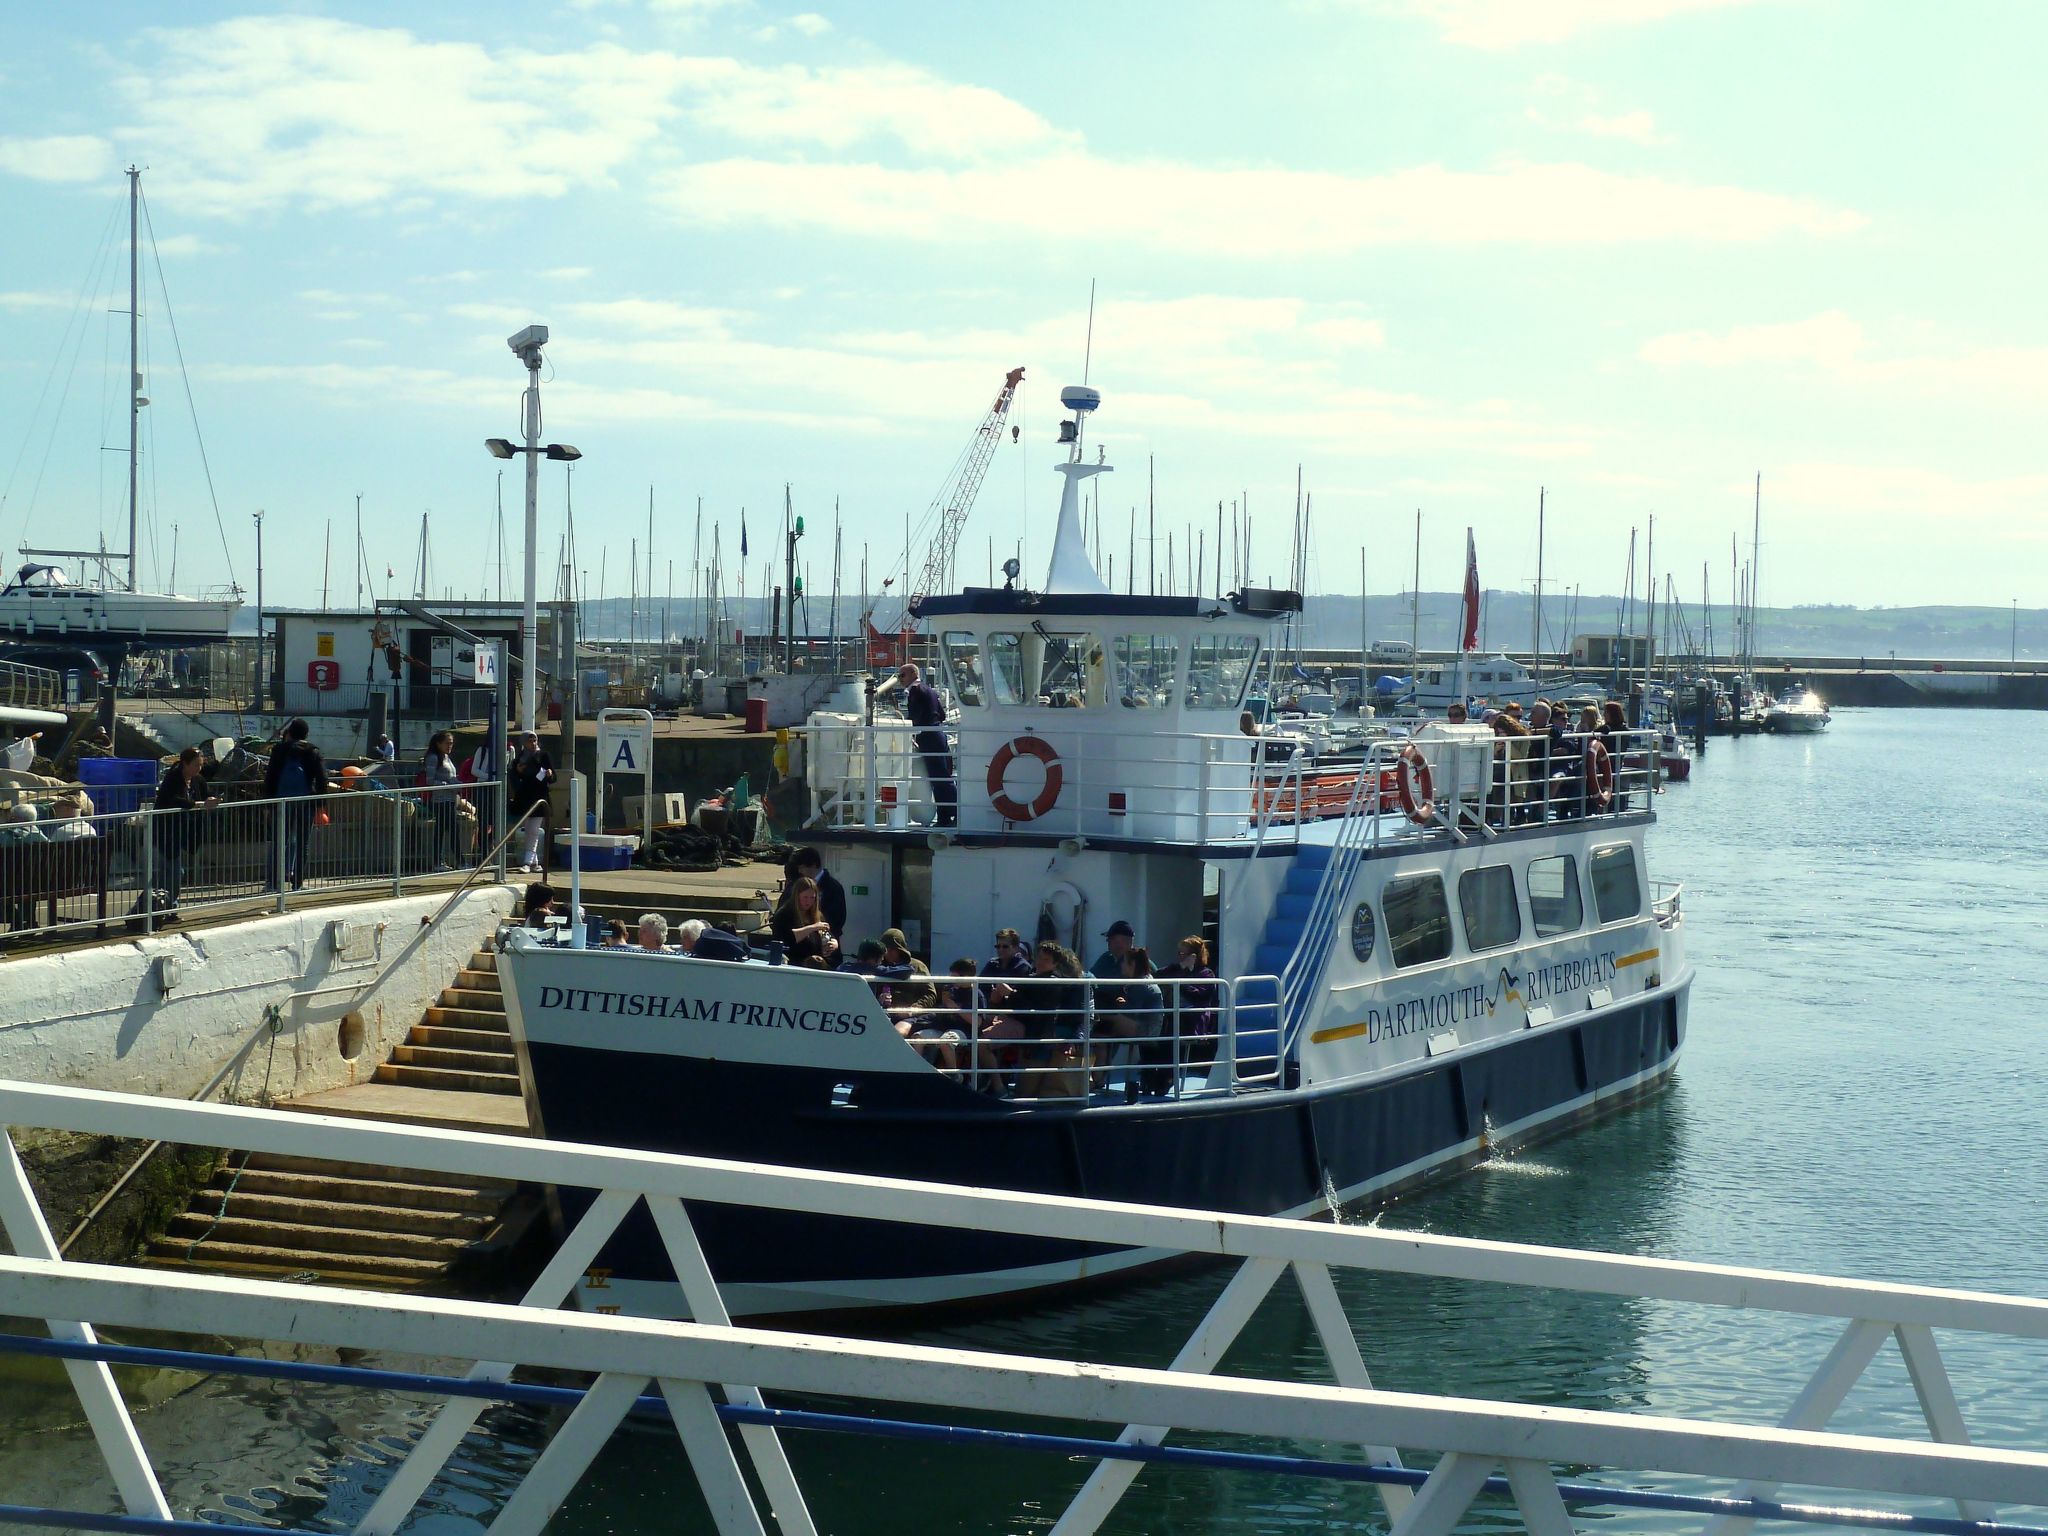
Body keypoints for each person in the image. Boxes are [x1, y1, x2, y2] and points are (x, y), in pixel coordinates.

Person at [150, 746, 219, 917]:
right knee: (174, 870)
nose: (199, 769)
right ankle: (168, 907)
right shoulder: (173, 778)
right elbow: (174, 799)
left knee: (169, 871)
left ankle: (162, 906)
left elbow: (206, 793)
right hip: (166, 829)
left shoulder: (197, 780)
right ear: (185, 764)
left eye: (201, 765)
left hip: (183, 830)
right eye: (196, 765)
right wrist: (197, 804)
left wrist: (211, 798)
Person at [263, 718, 329, 891]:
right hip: (305, 803)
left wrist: (268, 804)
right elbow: (322, 779)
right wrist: (320, 804)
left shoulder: (279, 750)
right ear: (306, 734)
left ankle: (272, 883)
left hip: (281, 802)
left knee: (279, 842)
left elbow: (270, 777)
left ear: (290, 733)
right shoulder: (313, 751)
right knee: (302, 844)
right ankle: (297, 884)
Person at [891, 663, 956, 828]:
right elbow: (941, 715)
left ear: (913, 674)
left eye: (902, 675)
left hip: (928, 738)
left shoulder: (915, 691)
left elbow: (916, 718)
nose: (900, 679)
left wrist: (908, 727)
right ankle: (949, 814)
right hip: (938, 734)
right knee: (943, 777)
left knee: (938, 778)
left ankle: (949, 816)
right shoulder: (930, 690)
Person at [1163, 936, 1219, 1067]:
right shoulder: (1177, 969)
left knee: (1169, 1030)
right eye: (1179, 953)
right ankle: (1152, 1071)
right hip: (1174, 1016)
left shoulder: (1206, 974)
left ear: (1193, 956)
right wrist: (1180, 969)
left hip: (1193, 1018)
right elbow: (1158, 975)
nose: (1179, 957)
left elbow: (1199, 996)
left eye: (1182, 954)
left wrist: (1179, 982)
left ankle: (1166, 1073)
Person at [508, 730, 555, 873]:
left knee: (533, 830)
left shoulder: (543, 755)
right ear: (524, 743)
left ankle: (527, 862)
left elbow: (553, 777)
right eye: (530, 741)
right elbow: (514, 777)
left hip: (540, 797)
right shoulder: (520, 758)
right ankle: (535, 863)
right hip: (525, 798)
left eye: (534, 740)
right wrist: (518, 771)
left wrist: (549, 774)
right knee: (528, 829)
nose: (533, 744)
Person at [770, 875, 838, 967]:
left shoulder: (816, 915)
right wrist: (813, 927)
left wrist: (834, 942)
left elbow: (828, 932)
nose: (808, 901)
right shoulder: (785, 914)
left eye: (812, 898)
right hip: (794, 962)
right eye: (805, 897)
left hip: (816, 963)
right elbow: (788, 937)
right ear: (797, 896)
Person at [0, 802, 48, 932]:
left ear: (14, 819)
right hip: (40, 883)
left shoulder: (6, 837)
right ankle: (28, 921)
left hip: (11, 884)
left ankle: (17, 920)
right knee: (27, 883)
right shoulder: (41, 837)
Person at [421, 730, 463, 871]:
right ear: (438, 743)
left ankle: (439, 862)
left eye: (451, 743)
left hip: (451, 799)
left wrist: (460, 784)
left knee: (443, 830)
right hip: (441, 800)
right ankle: (458, 861)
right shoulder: (433, 758)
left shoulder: (446, 757)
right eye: (447, 743)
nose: (450, 746)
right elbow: (430, 780)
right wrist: (448, 786)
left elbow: (451, 777)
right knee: (452, 829)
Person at [786, 848, 846, 938]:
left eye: (802, 867)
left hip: (825, 940)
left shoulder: (833, 887)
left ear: (813, 866)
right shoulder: (795, 885)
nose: (799, 871)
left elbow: (836, 919)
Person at [880, 927, 936, 1010]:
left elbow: (930, 994)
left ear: (900, 949)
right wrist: (879, 999)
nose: (888, 952)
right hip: (884, 1013)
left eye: (892, 949)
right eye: (885, 949)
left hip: (913, 1014)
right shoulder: (880, 967)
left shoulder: (918, 966)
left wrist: (914, 1008)